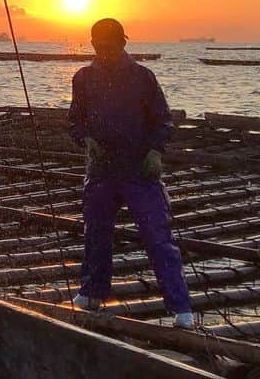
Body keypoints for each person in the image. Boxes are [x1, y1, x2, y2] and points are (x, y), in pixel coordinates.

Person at [67, 17, 194, 328]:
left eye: (109, 47)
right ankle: (92, 291)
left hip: (139, 170)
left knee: (157, 237)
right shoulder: (83, 78)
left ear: (123, 43)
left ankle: (181, 308)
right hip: (101, 171)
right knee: (96, 234)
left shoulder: (143, 77)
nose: (104, 53)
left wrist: (155, 151)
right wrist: (86, 139)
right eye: (98, 48)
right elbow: (75, 120)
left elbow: (163, 120)